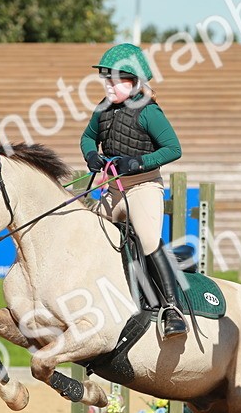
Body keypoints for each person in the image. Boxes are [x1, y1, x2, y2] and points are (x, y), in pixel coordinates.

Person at [80, 43, 186, 339]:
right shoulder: (102, 108)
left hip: (143, 186)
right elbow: (87, 137)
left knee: (149, 239)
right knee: (88, 235)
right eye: (106, 79)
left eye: (115, 80)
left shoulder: (149, 112)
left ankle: (171, 309)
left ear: (134, 82)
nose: (108, 85)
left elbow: (173, 149)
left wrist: (139, 161)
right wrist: (91, 155)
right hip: (112, 189)